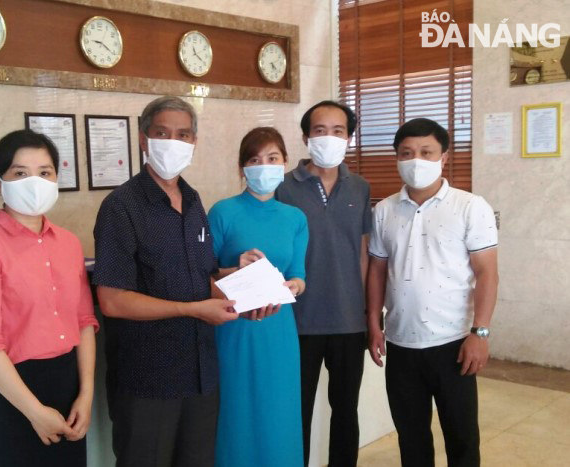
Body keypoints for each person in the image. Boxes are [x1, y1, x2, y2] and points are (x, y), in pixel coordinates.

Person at [92, 96, 237, 467]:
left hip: (201, 374)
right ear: (143, 139)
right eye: (162, 133)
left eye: (183, 134)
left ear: (194, 142)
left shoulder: (193, 201)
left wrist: (240, 280)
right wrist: (192, 310)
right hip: (148, 379)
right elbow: (112, 299)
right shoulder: (121, 207)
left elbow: (201, 275)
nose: (173, 142)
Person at [0, 129, 99, 467]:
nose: (35, 181)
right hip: (10, 394)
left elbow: (84, 322)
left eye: (45, 172)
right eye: (20, 173)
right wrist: (34, 412)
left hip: (67, 385)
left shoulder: (69, 243)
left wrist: (86, 394)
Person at [366, 118, 499, 467]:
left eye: (426, 152)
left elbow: (487, 274)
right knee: (411, 438)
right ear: (396, 158)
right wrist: (374, 324)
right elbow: (377, 271)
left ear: (444, 157)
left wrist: (480, 332)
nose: (416, 160)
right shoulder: (384, 211)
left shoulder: (471, 207)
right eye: (407, 153)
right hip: (401, 343)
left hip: (454, 342)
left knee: (462, 437)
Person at [275, 100, 371, 466]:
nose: (328, 138)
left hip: (349, 321)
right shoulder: (283, 187)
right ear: (305, 137)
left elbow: (363, 252)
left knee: (346, 411)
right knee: (295, 412)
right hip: (297, 322)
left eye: (338, 131)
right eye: (319, 130)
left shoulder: (360, 188)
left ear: (349, 138)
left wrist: (366, 311)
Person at [208, 127, 309, 467]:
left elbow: (299, 275)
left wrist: (293, 286)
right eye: (255, 159)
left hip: (278, 328)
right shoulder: (222, 212)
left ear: (284, 163)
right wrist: (232, 269)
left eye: (272, 158)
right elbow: (203, 276)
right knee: (236, 411)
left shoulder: (295, 218)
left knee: (278, 412)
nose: (264, 166)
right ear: (242, 168)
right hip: (234, 328)